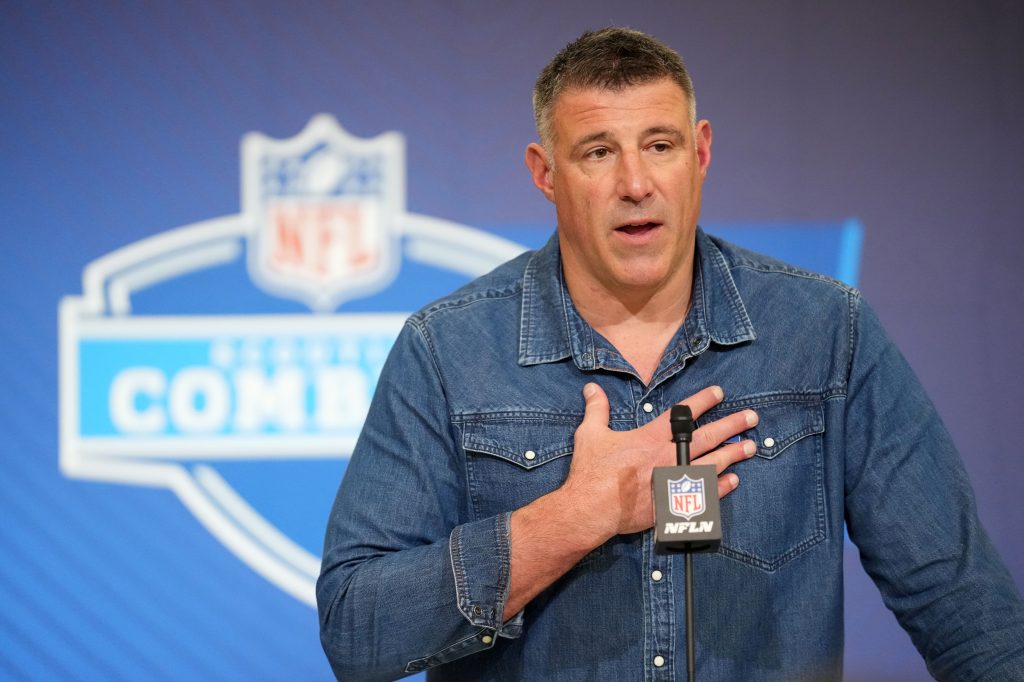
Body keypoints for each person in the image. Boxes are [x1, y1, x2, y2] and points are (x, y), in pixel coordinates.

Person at [317, 27, 1024, 680]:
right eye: (598, 152)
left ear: (701, 151)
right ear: (545, 173)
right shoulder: (446, 348)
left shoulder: (825, 332)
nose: (635, 184)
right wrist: (572, 518)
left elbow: (962, 604)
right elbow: (357, 628)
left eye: (659, 144)